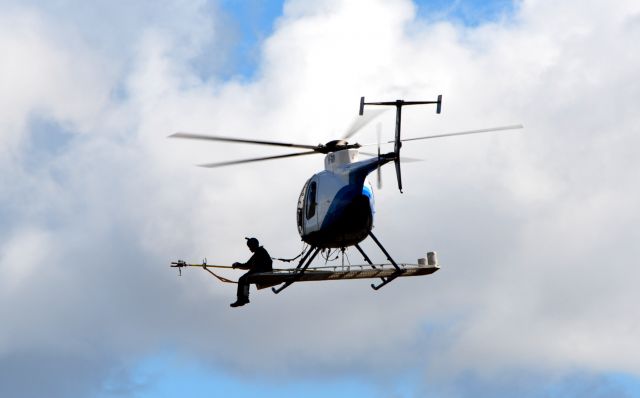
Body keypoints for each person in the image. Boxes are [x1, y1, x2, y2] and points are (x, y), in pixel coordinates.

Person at [230, 237, 273, 307]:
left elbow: (268, 262)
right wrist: (238, 264)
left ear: (254, 245)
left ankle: (242, 299)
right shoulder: (256, 254)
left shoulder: (261, 251)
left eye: (250, 246)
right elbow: (247, 265)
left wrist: (261, 269)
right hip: (258, 271)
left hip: (262, 271)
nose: (249, 248)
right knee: (243, 279)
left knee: (243, 279)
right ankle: (244, 298)